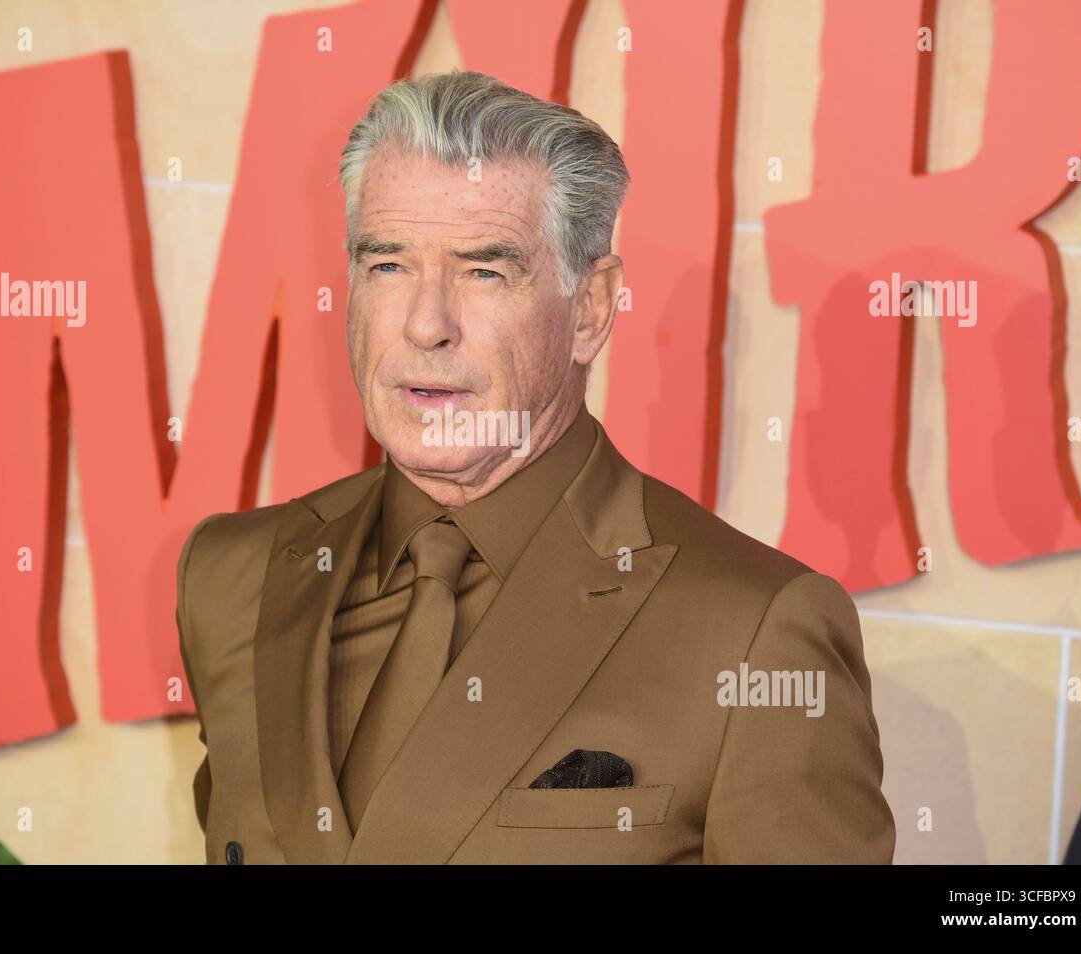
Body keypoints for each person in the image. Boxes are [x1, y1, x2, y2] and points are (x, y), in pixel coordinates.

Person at [176, 69, 895, 864]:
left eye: (485, 270)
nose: (426, 325)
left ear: (589, 310)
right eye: (388, 265)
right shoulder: (230, 576)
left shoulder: (757, 632)